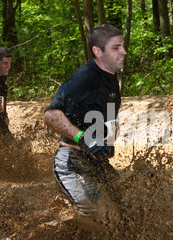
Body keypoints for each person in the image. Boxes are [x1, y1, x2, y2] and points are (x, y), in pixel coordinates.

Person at [43, 24, 126, 227]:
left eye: (122, 46)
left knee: (128, 205)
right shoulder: (84, 77)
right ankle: (57, 239)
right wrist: (85, 138)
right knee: (105, 215)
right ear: (98, 51)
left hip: (97, 163)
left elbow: (107, 119)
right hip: (72, 163)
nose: (123, 51)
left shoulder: (111, 79)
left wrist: (107, 140)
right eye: (116, 48)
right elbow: (51, 115)